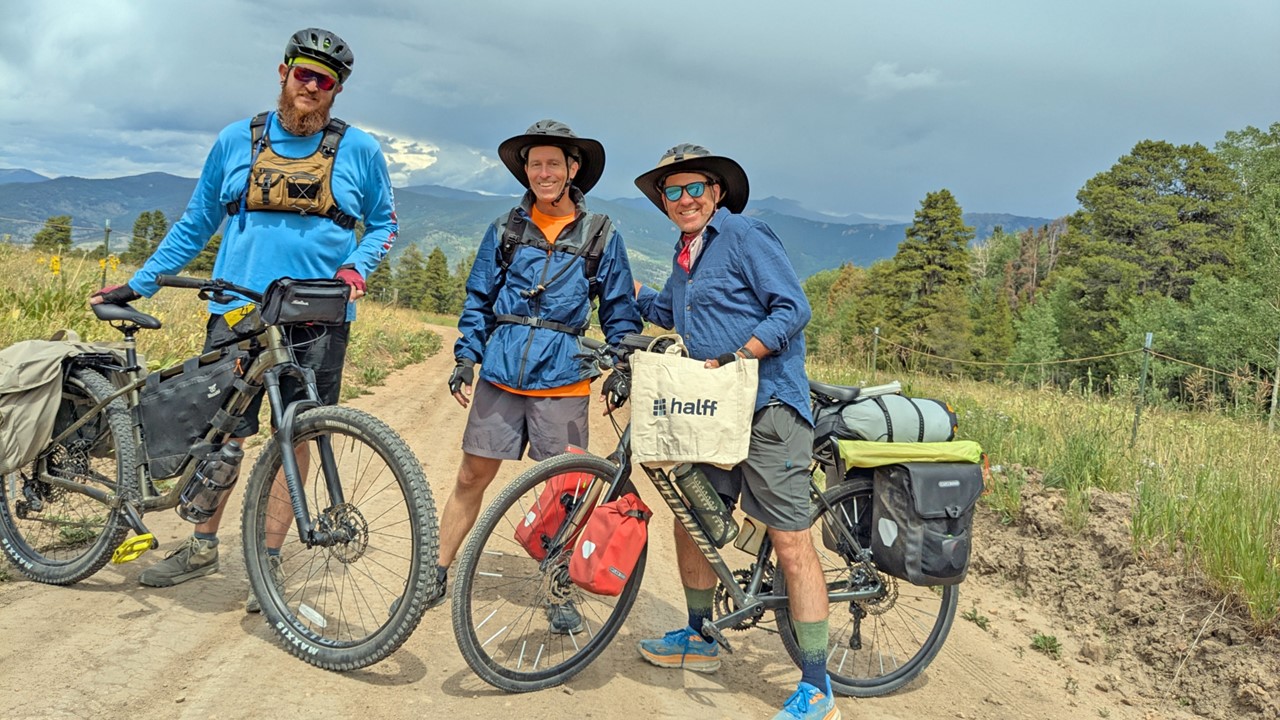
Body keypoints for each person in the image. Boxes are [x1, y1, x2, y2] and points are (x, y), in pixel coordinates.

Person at [90, 28, 397, 612]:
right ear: (283, 72)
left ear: (337, 90)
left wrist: (356, 268)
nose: (312, 86)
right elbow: (196, 222)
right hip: (238, 312)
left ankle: (269, 559)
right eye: (304, 73)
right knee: (222, 433)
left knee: (298, 432)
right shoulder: (237, 139)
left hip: (317, 315)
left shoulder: (360, 149)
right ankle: (202, 546)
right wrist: (140, 283)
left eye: (325, 80)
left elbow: (384, 223)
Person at [628, 145, 839, 720]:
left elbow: (792, 308)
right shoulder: (685, 254)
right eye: (673, 191)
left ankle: (817, 687)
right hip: (714, 410)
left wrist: (742, 355)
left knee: (790, 538)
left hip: (769, 406)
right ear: (664, 202)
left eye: (695, 187)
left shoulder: (745, 235)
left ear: (716, 192)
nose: (685, 199)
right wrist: (628, 289)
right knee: (691, 517)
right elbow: (672, 312)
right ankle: (700, 636)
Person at [435, 120, 642, 631]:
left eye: (553, 163)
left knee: (565, 493)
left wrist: (620, 367)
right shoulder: (505, 230)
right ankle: (435, 572)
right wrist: (466, 356)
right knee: (471, 476)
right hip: (501, 375)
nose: (543, 173)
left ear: (573, 169)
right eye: (535, 164)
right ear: (524, 170)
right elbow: (479, 298)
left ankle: (556, 588)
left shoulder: (601, 235)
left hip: (565, 380)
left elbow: (619, 310)